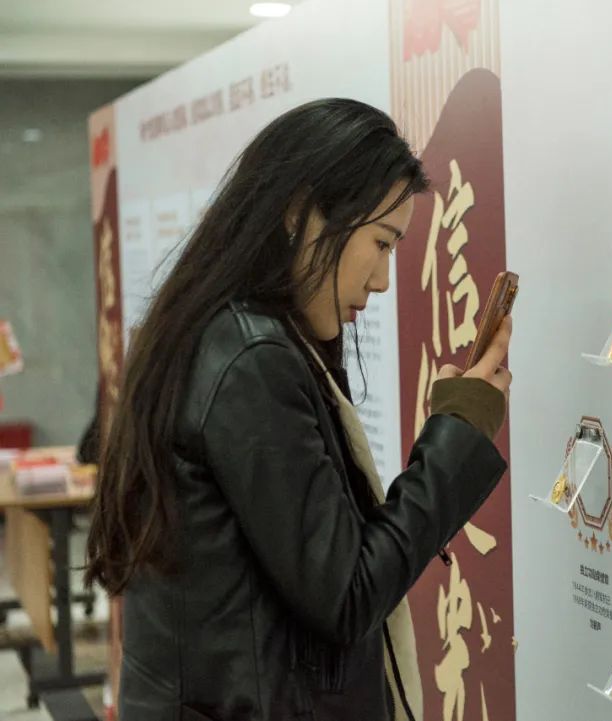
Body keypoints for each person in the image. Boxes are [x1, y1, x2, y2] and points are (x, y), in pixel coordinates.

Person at [84, 98, 512, 721]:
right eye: (380, 243)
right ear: (299, 213)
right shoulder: (251, 359)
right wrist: (461, 432)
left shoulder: (227, 334)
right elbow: (346, 592)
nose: (382, 280)